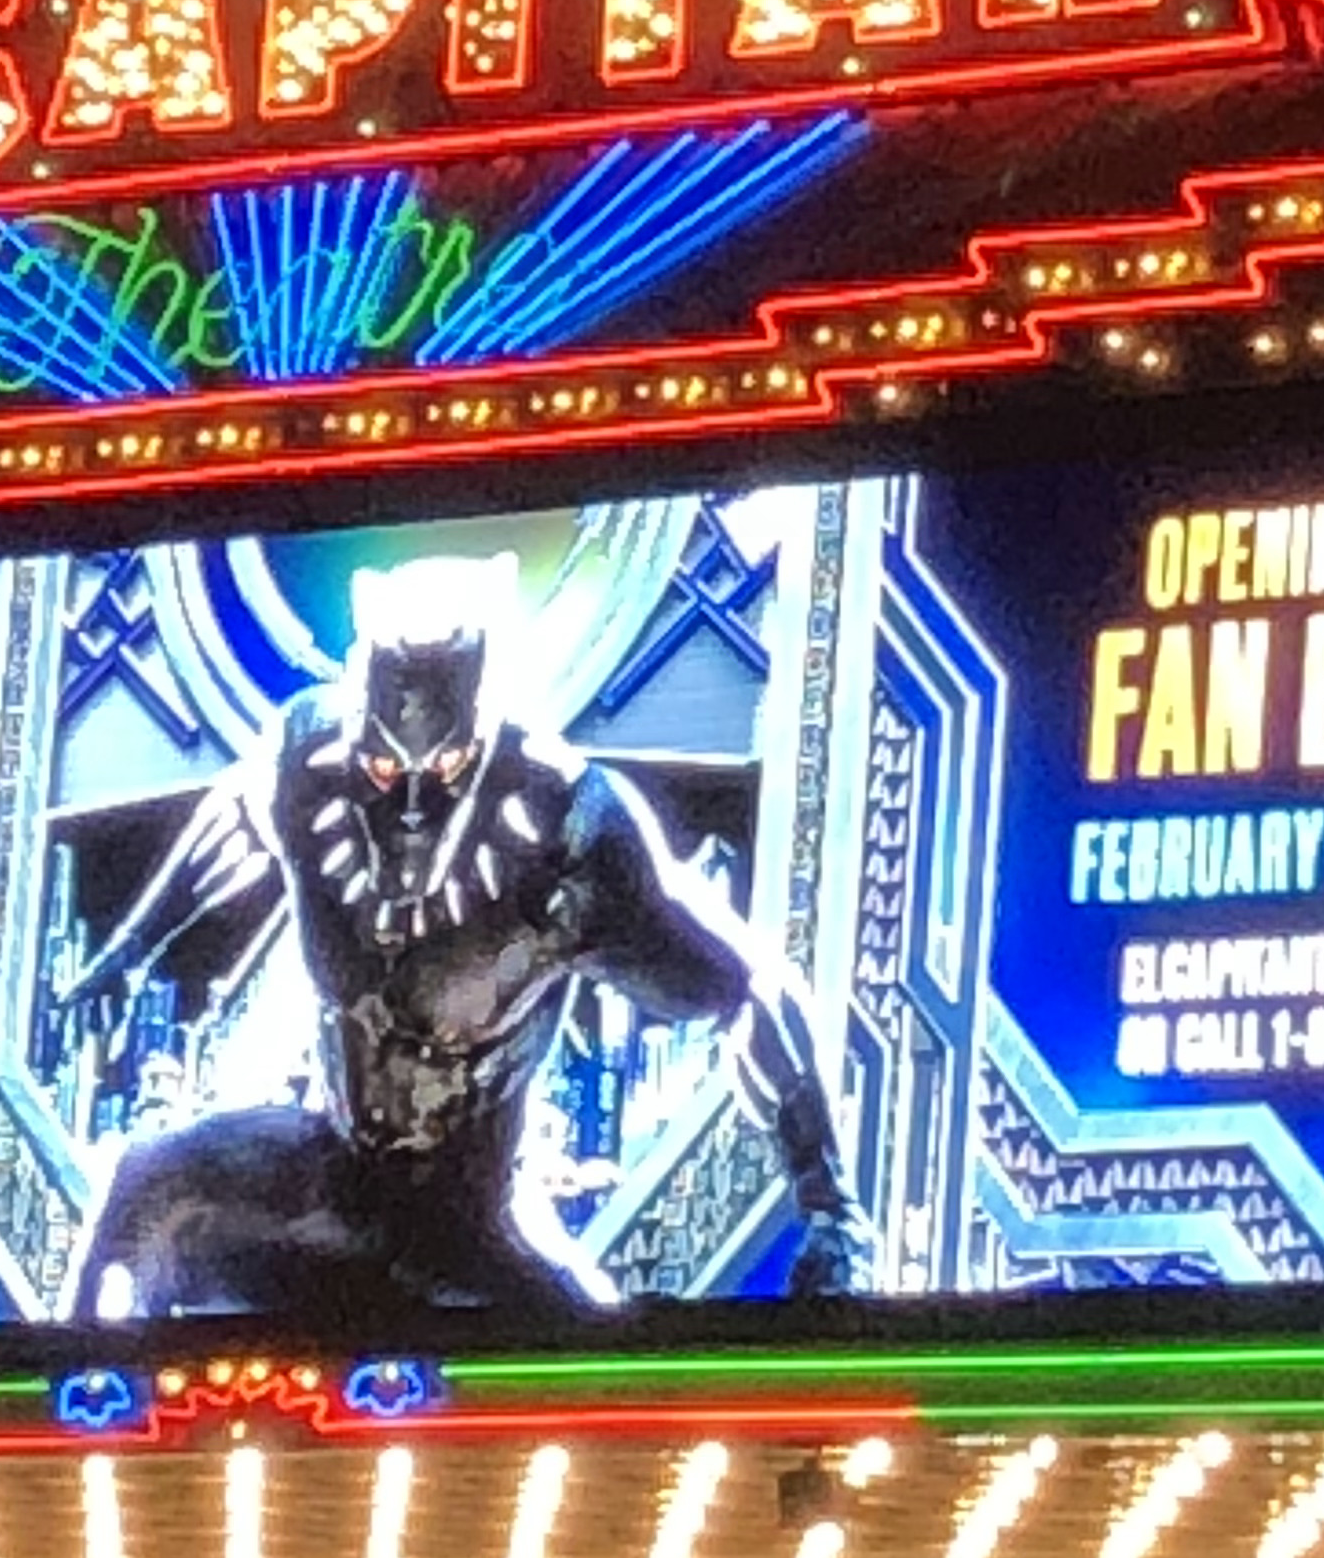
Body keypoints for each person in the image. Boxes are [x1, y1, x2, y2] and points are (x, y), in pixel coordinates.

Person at [67, 553, 871, 1319]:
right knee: (147, 1189)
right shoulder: (308, 755)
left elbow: (744, 989)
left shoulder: (570, 828)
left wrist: (829, 1206)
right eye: (385, 773)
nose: (411, 806)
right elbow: (239, 825)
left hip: (475, 1219)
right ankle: (76, 1401)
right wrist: (130, 951)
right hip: (333, 1171)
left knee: (588, 1375)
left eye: (443, 772)